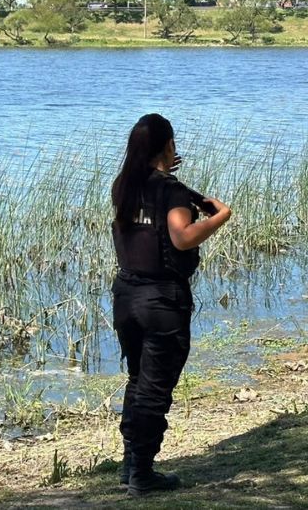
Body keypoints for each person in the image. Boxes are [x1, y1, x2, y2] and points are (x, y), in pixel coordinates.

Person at [110, 113, 232, 496]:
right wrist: (220, 218)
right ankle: (142, 474)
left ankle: (131, 464)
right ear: (168, 145)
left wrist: (166, 173)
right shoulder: (172, 192)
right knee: (155, 388)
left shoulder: (125, 186)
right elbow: (181, 238)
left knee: (137, 379)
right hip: (162, 299)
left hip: (126, 295)